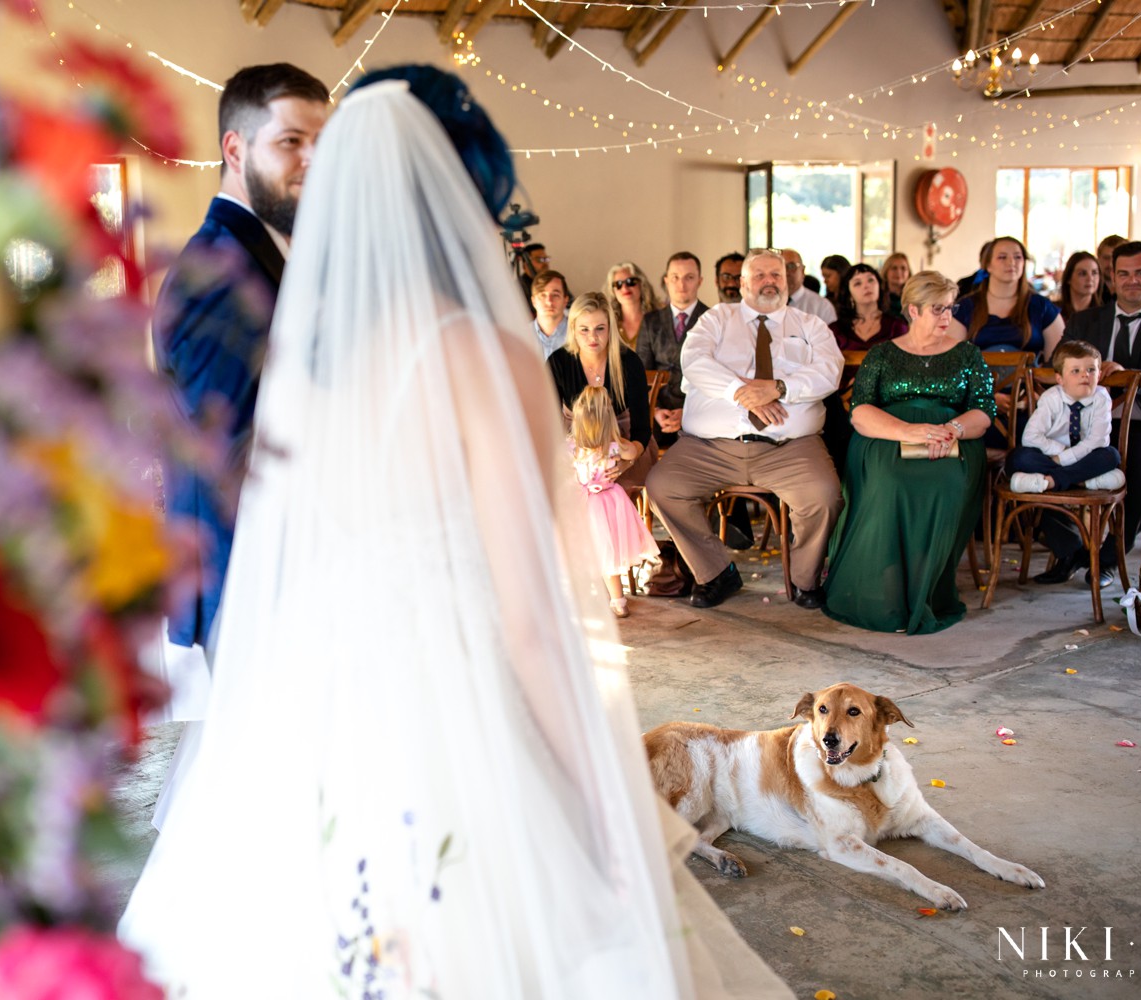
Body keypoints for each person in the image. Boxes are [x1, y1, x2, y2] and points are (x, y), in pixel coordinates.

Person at [119, 63, 791, 1000]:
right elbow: (533, 622)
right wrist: (609, 807)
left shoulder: (307, 351)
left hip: (318, 685)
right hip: (455, 692)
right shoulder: (484, 358)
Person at [149, 62, 328, 720]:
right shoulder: (217, 274)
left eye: (321, 142)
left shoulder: (264, 257)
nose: (313, 160)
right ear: (235, 148)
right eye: (291, 142)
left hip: (285, 580)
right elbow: (233, 458)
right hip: (251, 588)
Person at [645, 248, 844, 611]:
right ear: (742, 283)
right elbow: (694, 361)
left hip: (790, 447)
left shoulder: (809, 325)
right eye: (760, 275)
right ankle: (716, 572)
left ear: (787, 281)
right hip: (709, 447)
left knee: (823, 495)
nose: (769, 281)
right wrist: (742, 393)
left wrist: (778, 388)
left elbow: (830, 371)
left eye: (776, 275)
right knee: (662, 486)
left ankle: (805, 579)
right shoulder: (717, 319)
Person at [822, 271, 996, 635]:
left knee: (946, 483)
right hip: (887, 437)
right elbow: (860, 412)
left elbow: (983, 411)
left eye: (950, 308)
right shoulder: (882, 354)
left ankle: (925, 585)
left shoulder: (967, 354)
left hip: (951, 440)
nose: (947, 316)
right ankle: (886, 585)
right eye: (938, 309)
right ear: (913, 310)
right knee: (889, 482)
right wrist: (909, 431)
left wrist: (952, 430)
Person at [1035, 240, 1141, 586]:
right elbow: (1057, 366)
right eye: (1123, 274)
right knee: (1036, 463)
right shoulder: (1085, 321)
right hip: (1083, 423)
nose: (1132, 281)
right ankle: (1071, 550)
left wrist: (1132, 376)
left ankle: (1108, 558)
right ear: (1112, 277)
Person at [549, 292, 654, 490]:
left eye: (600, 328)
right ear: (573, 329)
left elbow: (642, 428)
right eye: (584, 330)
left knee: (613, 484)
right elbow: (550, 422)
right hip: (575, 443)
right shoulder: (559, 362)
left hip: (623, 442)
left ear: (610, 328)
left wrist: (627, 462)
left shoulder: (630, 362)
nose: (592, 337)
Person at [569, 386, 659, 618]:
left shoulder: (572, 447)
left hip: (582, 503)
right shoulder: (614, 447)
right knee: (608, 555)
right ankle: (618, 602)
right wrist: (620, 443)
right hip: (609, 503)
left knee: (584, 551)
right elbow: (632, 453)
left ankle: (587, 598)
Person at [1005, 341, 1122, 493]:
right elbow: (1030, 437)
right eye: (1075, 371)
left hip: (1085, 456)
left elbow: (1098, 441)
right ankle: (1082, 481)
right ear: (1060, 379)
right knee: (1019, 457)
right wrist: (1062, 453)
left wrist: (1064, 459)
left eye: (1091, 370)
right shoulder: (1051, 398)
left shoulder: (1102, 398)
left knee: (1111, 456)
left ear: (1099, 375)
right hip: (1051, 456)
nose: (1085, 374)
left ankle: (1049, 482)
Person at [825, 262, 908, 474]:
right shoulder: (835, 330)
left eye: (871, 280)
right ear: (849, 293)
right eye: (858, 283)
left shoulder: (897, 326)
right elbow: (826, 370)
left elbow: (906, 367)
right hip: (844, 401)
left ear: (880, 286)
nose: (866, 286)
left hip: (887, 398)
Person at [636, 251, 709, 449]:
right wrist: (655, 410)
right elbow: (640, 373)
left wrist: (687, 411)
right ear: (666, 280)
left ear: (700, 281)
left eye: (689, 277)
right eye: (675, 277)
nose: (681, 285)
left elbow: (715, 376)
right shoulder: (650, 321)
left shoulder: (712, 319)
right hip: (656, 415)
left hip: (698, 414)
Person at [952, 236, 1064, 358]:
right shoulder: (964, 308)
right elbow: (951, 360)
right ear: (988, 265)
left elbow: (1059, 362)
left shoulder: (1043, 308)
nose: (1011, 262)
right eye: (1002, 257)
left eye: (1017, 257)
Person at [605, 259, 662, 351]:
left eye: (630, 281)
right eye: (618, 284)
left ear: (641, 284)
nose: (624, 288)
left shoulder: (659, 319)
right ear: (612, 291)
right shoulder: (608, 323)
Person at [781, 248, 837, 324]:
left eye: (791, 266)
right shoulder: (768, 303)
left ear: (802, 270)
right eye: (781, 267)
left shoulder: (822, 306)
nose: (786, 272)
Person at [530, 268, 571, 359]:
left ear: (565, 300)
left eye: (555, 295)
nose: (549, 302)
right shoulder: (521, 336)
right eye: (543, 295)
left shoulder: (579, 335)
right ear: (533, 301)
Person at [1054, 250, 1102, 326]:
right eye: (1082, 274)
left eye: (1094, 273)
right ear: (1069, 278)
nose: (1090, 279)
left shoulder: (1105, 315)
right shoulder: (1055, 313)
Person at [1096, 234, 1126, 304]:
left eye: (1115, 258)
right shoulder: (1090, 289)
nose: (1110, 264)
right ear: (1098, 259)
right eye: (1106, 258)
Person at [880, 251, 911, 315]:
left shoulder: (914, 297)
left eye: (903, 268)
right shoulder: (878, 296)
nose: (899, 272)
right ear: (886, 271)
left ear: (909, 272)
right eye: (894, 268)